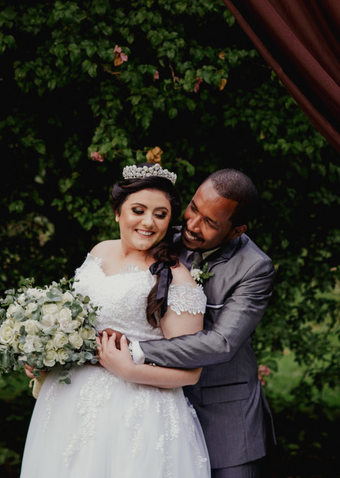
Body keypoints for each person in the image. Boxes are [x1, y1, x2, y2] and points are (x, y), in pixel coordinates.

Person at [19, 163, 212, 478]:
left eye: (160, 214)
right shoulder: (99, 251)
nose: (148, 222)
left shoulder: (176, 278)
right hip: (67, 402)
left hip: (135, 411)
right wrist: (46, 354)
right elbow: (77, 323)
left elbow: (191, 372)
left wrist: (129, 370)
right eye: (138, 210)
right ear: (118, 213)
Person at [110, 169, 275, 478]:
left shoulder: (255, 268)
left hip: (224, 418)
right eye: (194, 208)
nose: (192, 224)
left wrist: (136, 349)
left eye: (210, 223)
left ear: (237, 230)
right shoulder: (162, 236)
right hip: (155, 406)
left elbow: (221, 343)